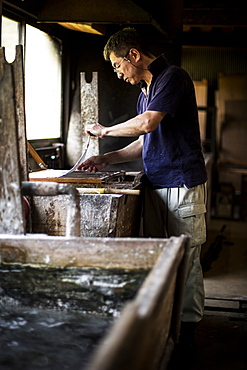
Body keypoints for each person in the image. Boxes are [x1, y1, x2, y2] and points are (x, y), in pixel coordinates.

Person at [78, 27, 207, 349]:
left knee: (186, 259)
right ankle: (166, 325)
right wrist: (107, 158)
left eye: (118, 65)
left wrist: (105, 130)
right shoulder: (146, 90)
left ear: (133, 55)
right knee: (161, 259)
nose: (118, 74)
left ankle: (187, 334)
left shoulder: (172, 77)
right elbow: (143, 141)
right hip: (156, 182)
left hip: (180, 184)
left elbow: (148, 123)